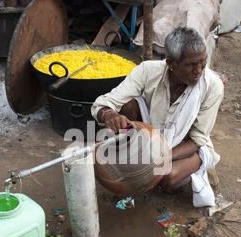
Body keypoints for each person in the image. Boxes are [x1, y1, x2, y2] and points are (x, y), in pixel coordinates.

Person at [91, 27, 224, 208]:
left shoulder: (212, 86)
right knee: (128, 105)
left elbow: (198, 139)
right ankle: (133, 155)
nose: (199, 69)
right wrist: (109, 114)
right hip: (153, 134)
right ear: (170, 63)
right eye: (191, 64)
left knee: (168, 179)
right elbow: (102, 103)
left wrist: (159, 157)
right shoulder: (147, 71)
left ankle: (190, 166)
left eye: (203, 61)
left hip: (188, 145)